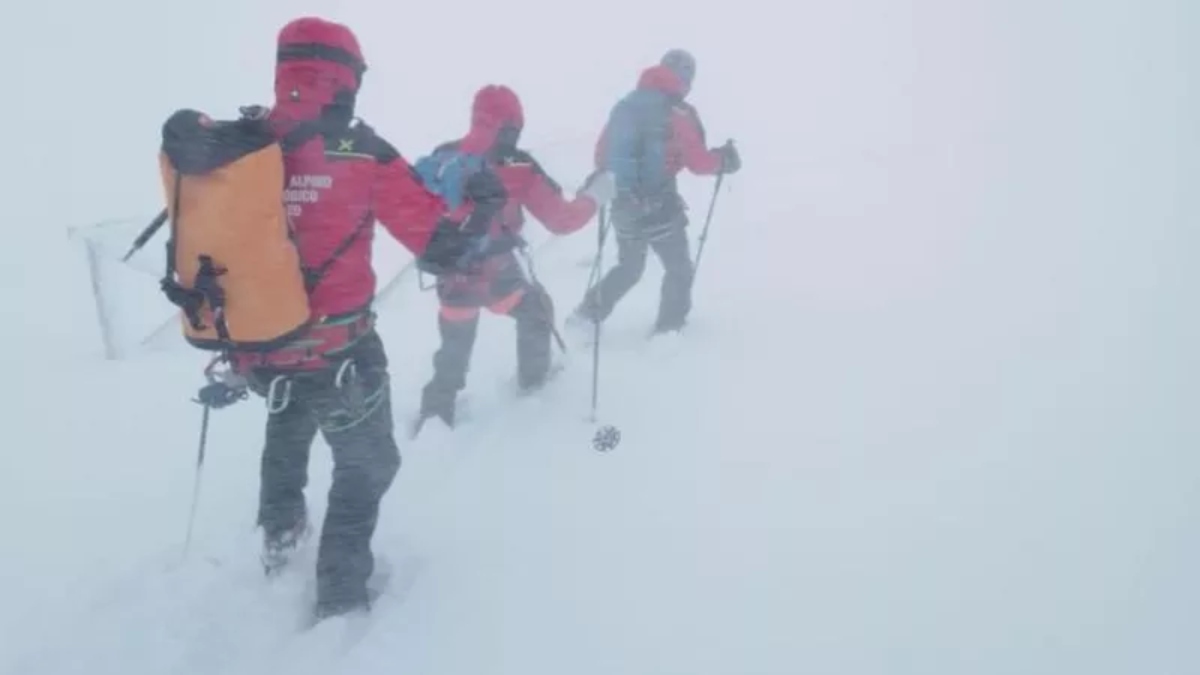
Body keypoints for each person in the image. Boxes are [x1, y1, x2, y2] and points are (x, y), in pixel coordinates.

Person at [229, 17, 481, 622]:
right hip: (339, 351)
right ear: (345, 76)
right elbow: (435, 241)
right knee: (370, 463)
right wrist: (476, 211)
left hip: (262, 346)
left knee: (288, 425)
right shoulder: (360, 149)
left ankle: (279, 535)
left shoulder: (244, 141)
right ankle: (341, 594)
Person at [413, 84, 615, 431]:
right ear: (513, 125)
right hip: (496, 275)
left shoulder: (444, 154)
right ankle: (533, 388)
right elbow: (561, 220)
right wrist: (594, 197)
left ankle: (435, 414)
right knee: (536, 311)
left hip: (450, 275)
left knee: (454, 346)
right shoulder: (518, 164)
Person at [572, 49, 740, 335]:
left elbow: (601, 156)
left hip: (623, 204)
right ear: (686, 79)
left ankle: (586, 316)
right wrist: (724, 161)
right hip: (660, 205)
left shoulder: (626, 106)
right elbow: (698, 163)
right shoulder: (677, 112)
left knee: (629, 267)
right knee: (679, 268)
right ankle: (669, 330)